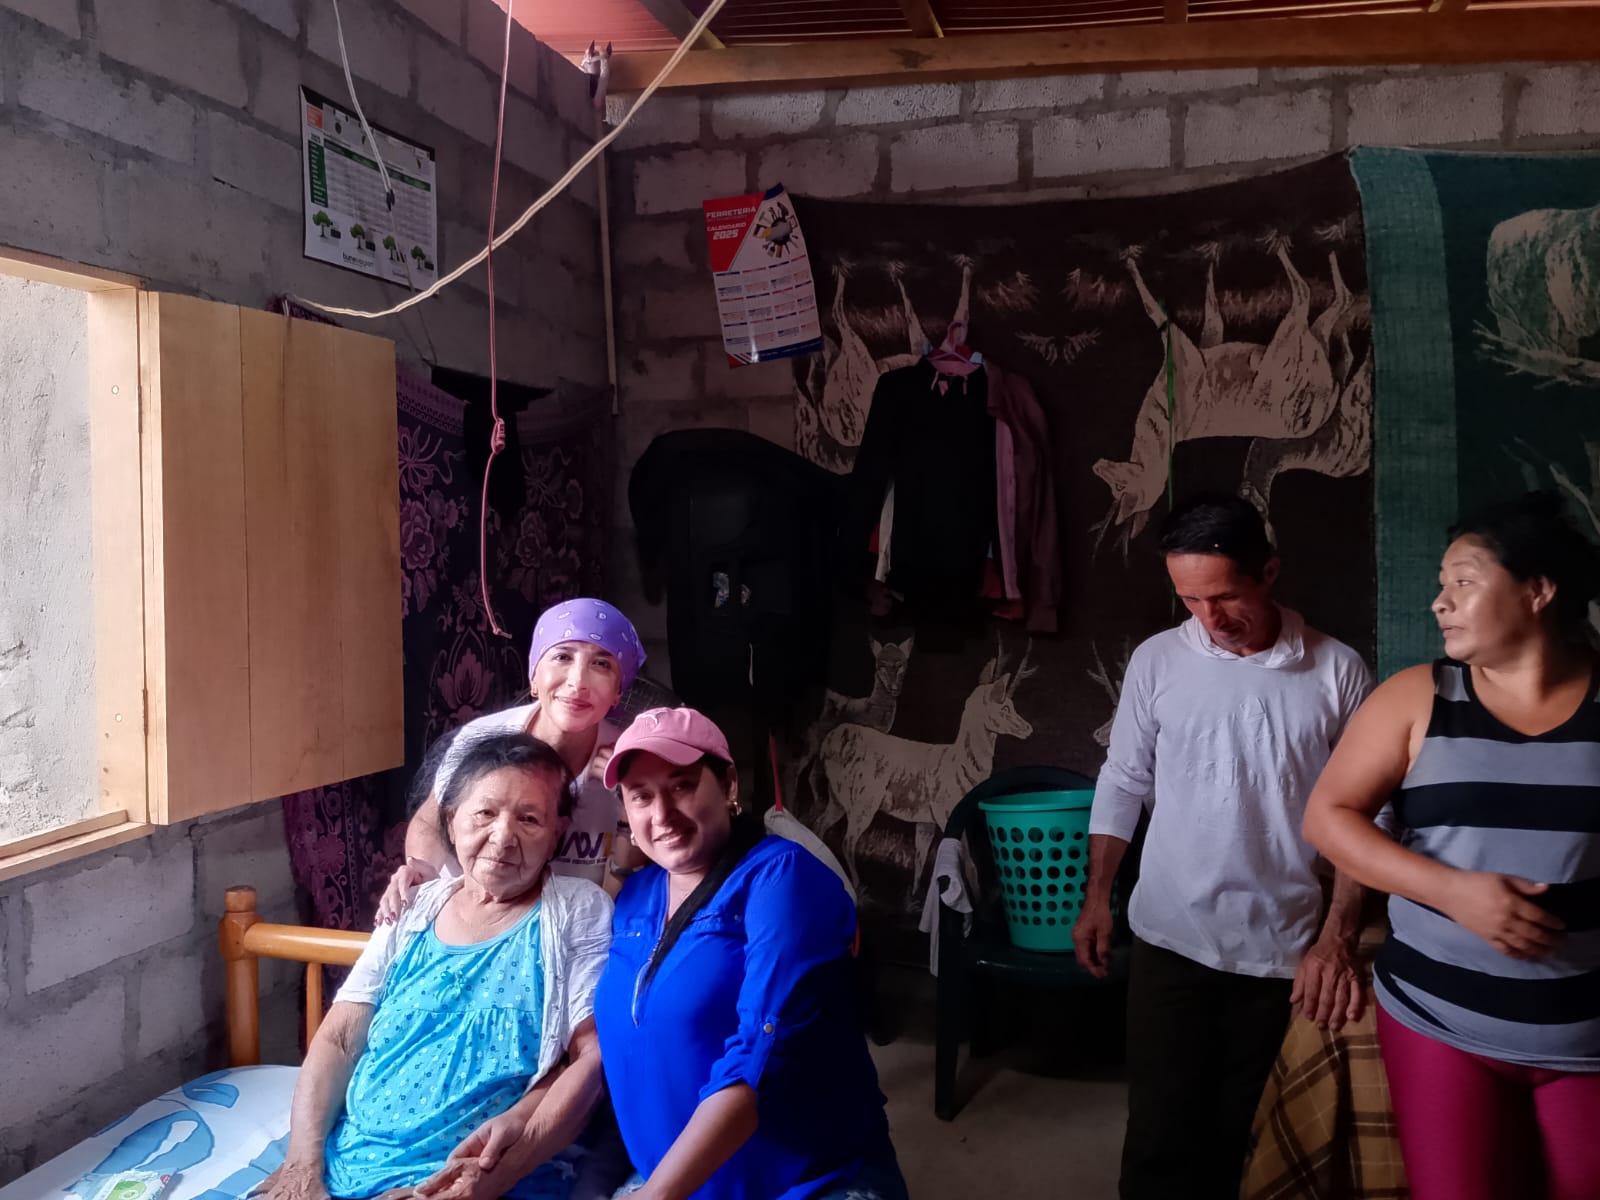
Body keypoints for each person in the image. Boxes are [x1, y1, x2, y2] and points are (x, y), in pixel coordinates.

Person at [1072, 493, 1375, 1200]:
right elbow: (1123, 778)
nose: (1208, 619)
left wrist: (1336, 937)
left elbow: (1368, 814)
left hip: (1279, 948)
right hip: (1170, 936)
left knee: (1248, 1139)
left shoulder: (1337, 671)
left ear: (1268, 572)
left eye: (1224, 596)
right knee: (1158, 1135)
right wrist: (1097, 896)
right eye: (1189, 600)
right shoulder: (1158, 660)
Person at [1303, 491, 1600, 1200]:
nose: (1440, 601)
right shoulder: (1417, 696)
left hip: (1587, 1029)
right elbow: (1327, 817)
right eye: (1443, 584)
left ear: (1538, 591)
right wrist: (1452, 892)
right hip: (1440, 1019)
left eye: (1464, 582)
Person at [263, 733, 613, 1200]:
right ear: (451, 821)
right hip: (349, 1163)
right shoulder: (412, 906)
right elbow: (340, 1038)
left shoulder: (577, 910)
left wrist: (498, 1167)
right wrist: (302, 1166)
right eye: (484, 813)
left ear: (556, 834)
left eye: (529, 819)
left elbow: (586, 1059)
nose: (503, 836)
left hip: (472, 1174)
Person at [593, 707, 906, 1200]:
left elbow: (757, 1060)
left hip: (806, 1184)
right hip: (672, 1182)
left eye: (681, 786)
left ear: (729, 784)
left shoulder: (783, 879)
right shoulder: (635, 897)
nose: (661, 814)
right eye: (641, 796)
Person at [380, 598, 648, 921]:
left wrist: (632, 798)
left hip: (572, 927)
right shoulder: (481, 739)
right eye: (562, 657)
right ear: (534, 676)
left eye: (601, 664)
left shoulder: (633, 760)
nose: (577, 682)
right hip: (470, 918)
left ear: (618, 692)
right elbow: (429, 821)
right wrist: (422, 872)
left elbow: (647, 874)